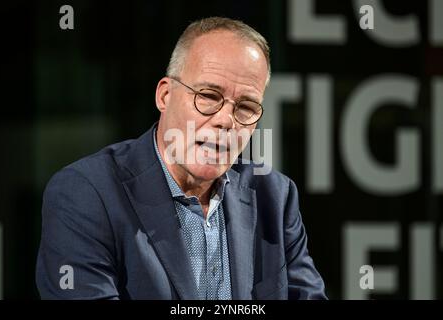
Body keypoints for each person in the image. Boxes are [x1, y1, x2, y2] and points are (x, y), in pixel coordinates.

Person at [36, 16, 327, 300]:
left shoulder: (275, 197)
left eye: (247, 107)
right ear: (164, 95)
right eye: (209, 96)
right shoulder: (87, 193)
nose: (226, 121)